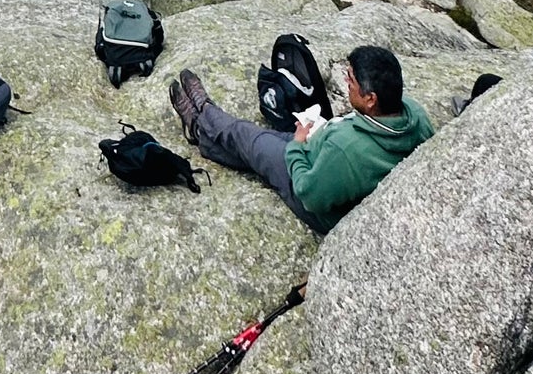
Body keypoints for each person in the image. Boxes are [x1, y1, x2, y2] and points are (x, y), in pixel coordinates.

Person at [169, 46, 434, 236]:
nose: (346, 81)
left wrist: (297, 145)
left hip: (314, 188)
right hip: (326, 159)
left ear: (371, 99)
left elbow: (310, 196)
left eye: (351, 79)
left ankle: (203, 114)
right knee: (257, 146)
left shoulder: (347, 149)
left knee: (247, 136)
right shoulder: (414, 115)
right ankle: (203, 132)